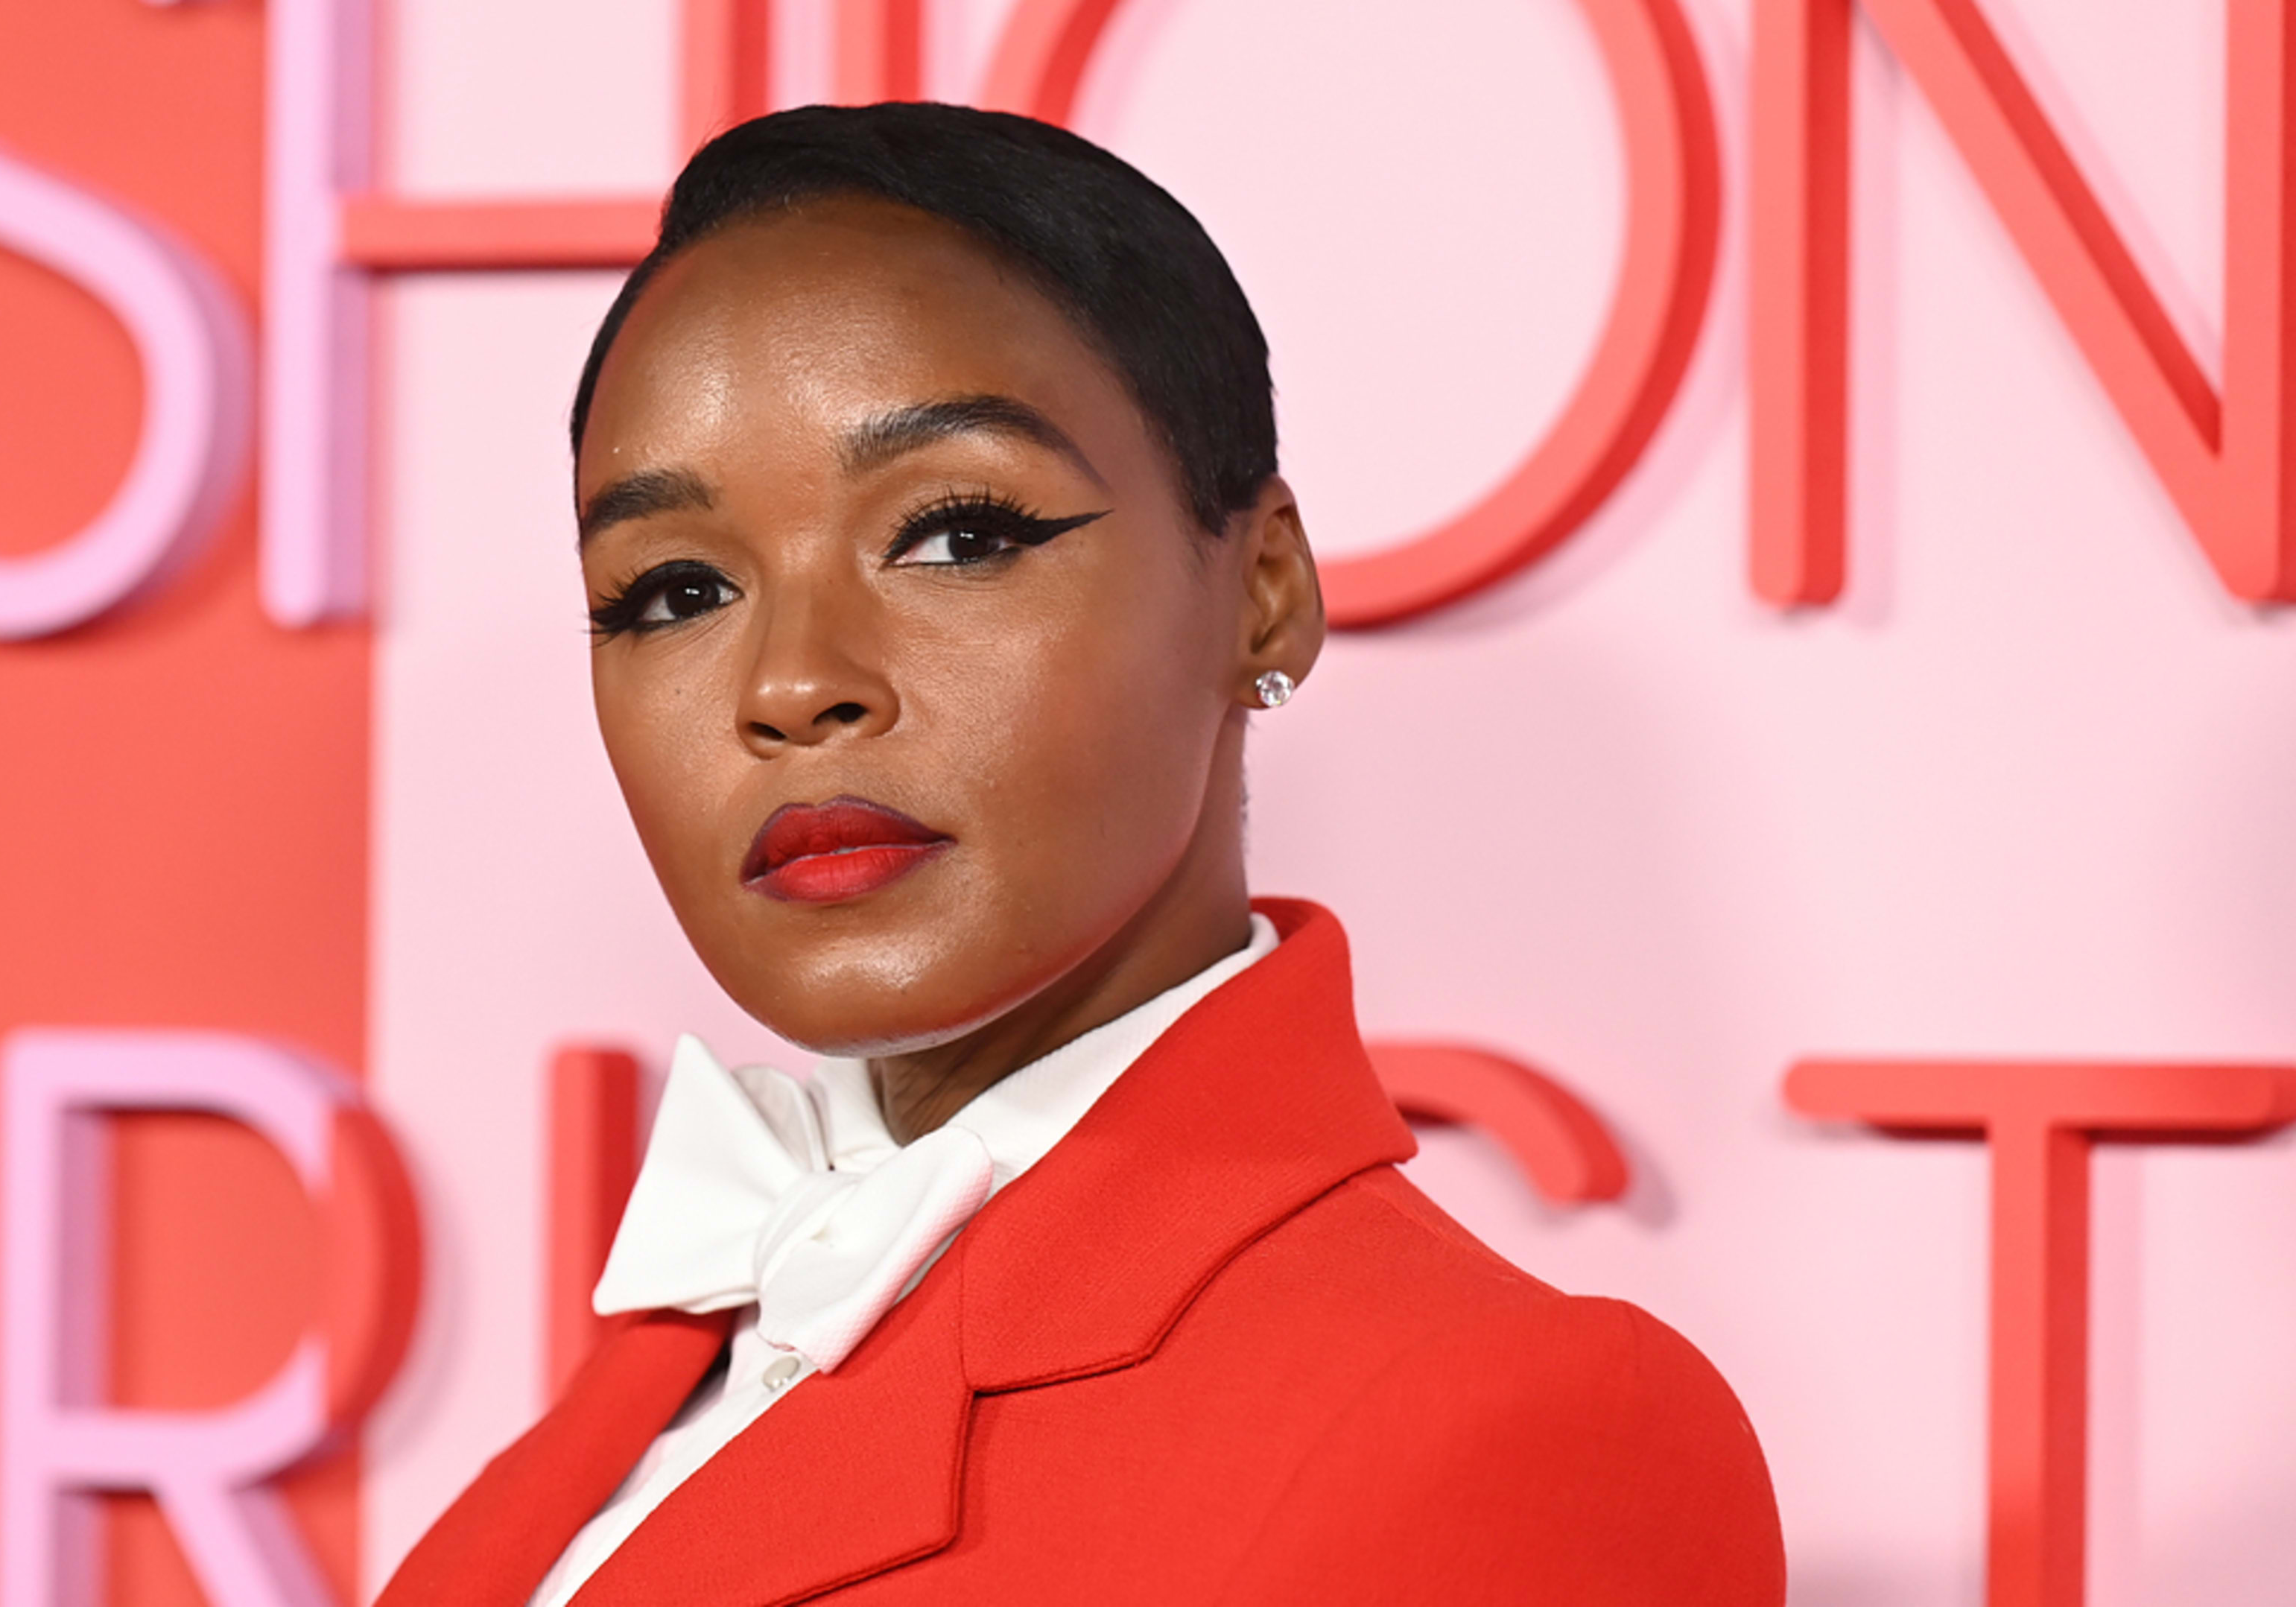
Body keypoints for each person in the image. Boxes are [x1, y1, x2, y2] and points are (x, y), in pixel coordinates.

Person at [377, 102, 1783, 1606]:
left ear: (1261, 591)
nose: (792, 683)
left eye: (960, 532)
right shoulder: (654, 1381)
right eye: (670, 589)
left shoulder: (1511, 1426)